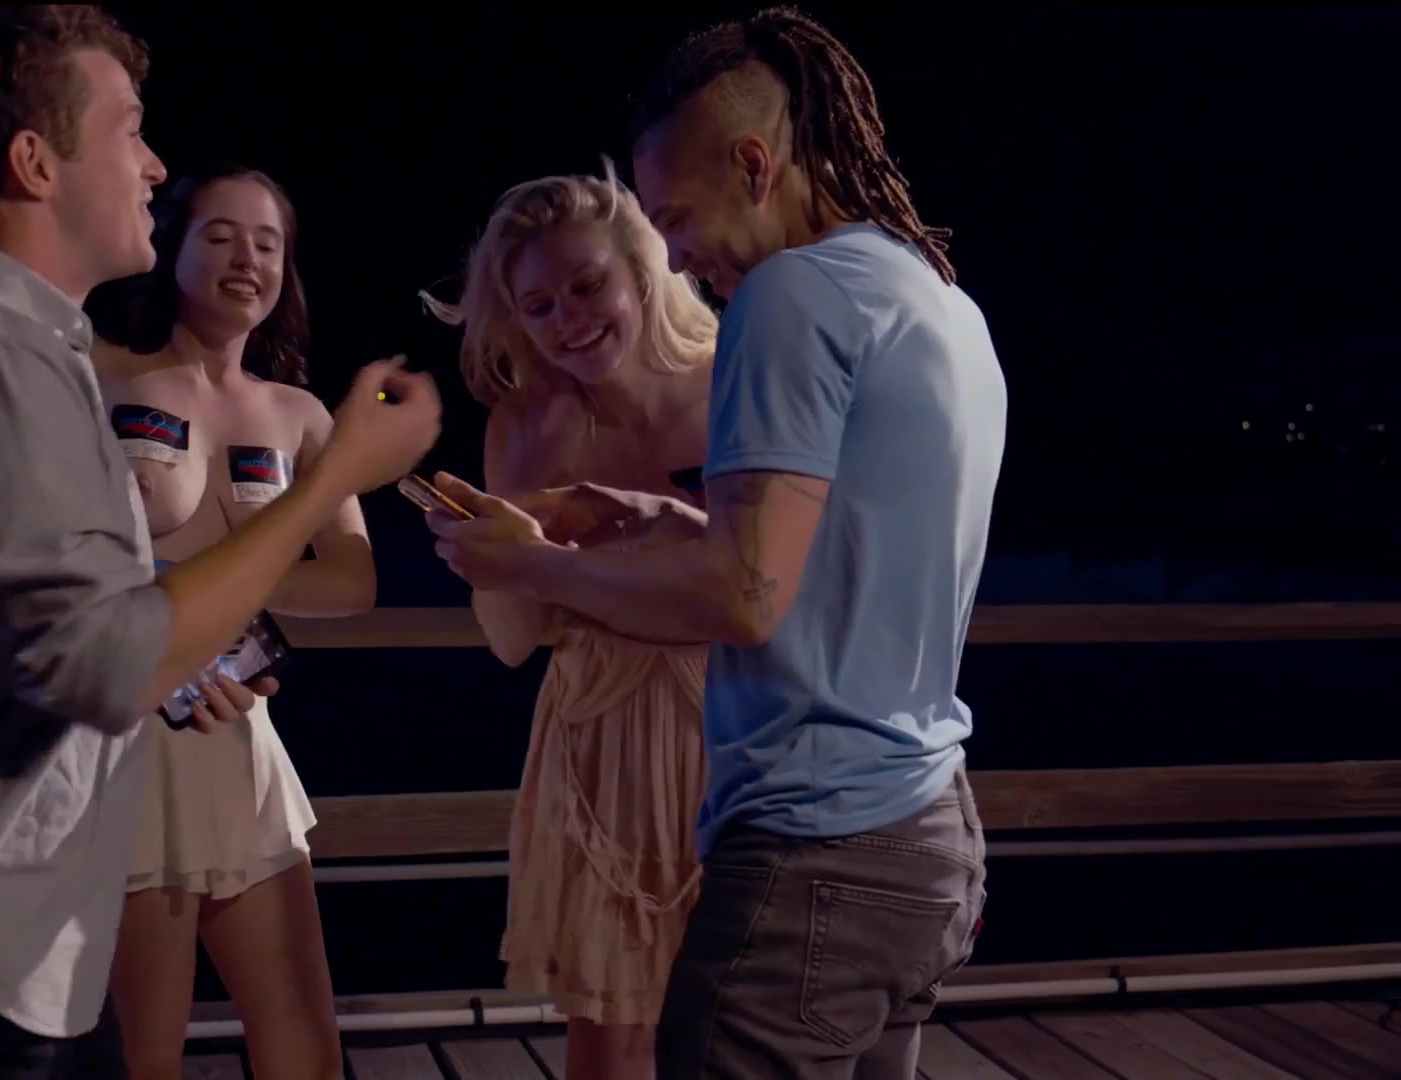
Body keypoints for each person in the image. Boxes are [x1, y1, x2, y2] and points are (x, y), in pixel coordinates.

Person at [0, 7, 440, 1079]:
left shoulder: (22, 354)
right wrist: (335, 478)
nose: (155, 164)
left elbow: (72, 618)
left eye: (269, 241)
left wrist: (190, 653)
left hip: (10, 945)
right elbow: (107, 655)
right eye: (130, 129)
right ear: (35, 163)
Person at [423, 7, 1005, 1078]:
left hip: (816, 847)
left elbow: (743, 599)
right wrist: (669, 521)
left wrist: (530, 564)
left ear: (752, 164)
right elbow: (839, 562)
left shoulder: (788, 293)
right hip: (929, 832)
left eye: (676, 221)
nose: (680, 255)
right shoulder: (938, 302)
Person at [418, 168, 717, 1079]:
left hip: (742, 721)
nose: (569, 321)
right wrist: (486, 556)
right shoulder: (524, 425)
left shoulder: (736, 376)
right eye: (539, 306)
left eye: (588, 286)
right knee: (609, 1032)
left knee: (740, 1020)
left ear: (643, 270)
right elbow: (512, 642)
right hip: (601, 738)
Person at [82, 163, 364, 1080]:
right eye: (221, 236)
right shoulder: (97, 372)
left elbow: (352, 578)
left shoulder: (299, 414)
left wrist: (227, 596)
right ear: (170, 246)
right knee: (144, 1058)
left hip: (240, 734)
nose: (248, 259)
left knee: (305, 1050)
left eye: (268, 244)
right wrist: (179, 598)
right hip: (128, 742)